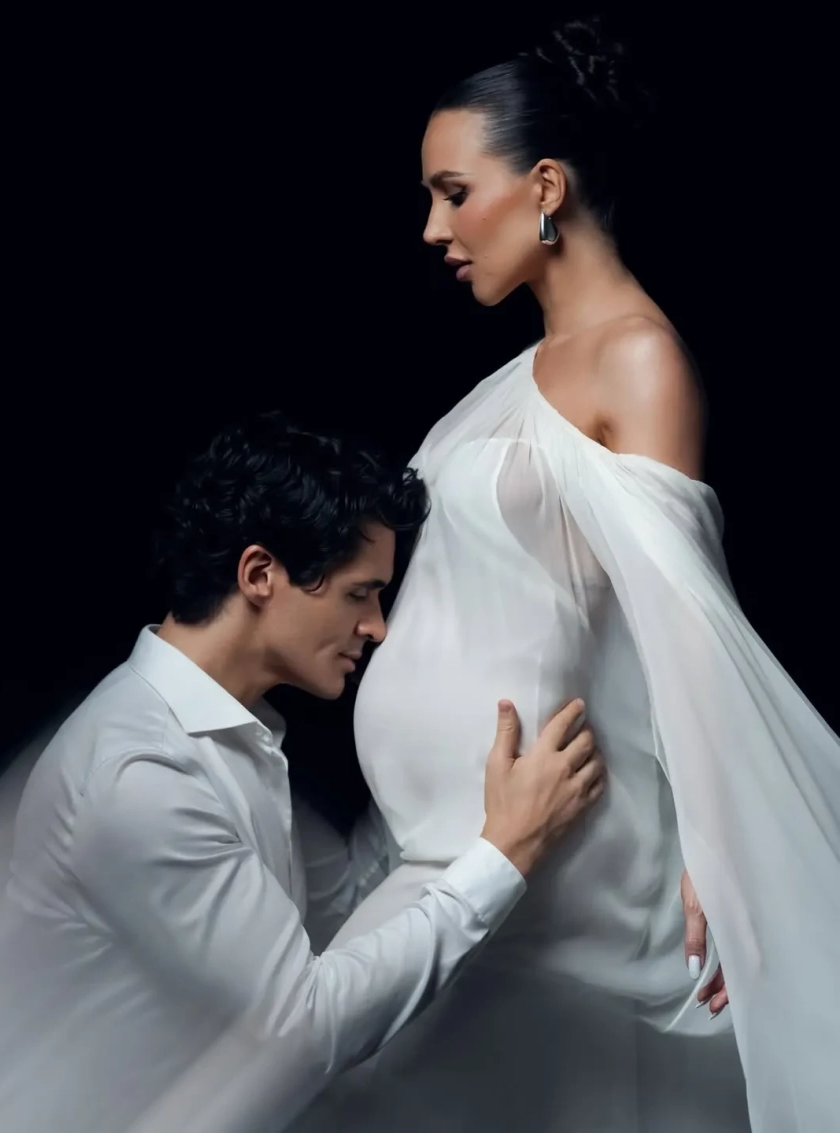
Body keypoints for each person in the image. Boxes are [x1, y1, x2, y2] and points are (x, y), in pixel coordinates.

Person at [292, 18, 840, 1133]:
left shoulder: (638, 357)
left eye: (454, 193)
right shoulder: (520, 372)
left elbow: (683, 622)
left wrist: (717, 845)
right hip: (461, 835)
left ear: (545, 186)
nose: (433, 227)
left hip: (565, 846)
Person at [0, 412, 607, 1133]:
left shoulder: (224, 736)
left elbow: (340, 906)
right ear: (260, 575)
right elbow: (306, 1025)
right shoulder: (142, 773)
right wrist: (508, 852)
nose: (377, 626)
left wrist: (459, 781)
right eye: (358, 593)